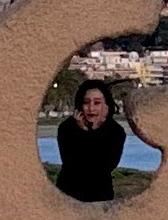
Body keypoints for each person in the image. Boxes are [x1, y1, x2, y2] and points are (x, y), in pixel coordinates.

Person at [53, 76, 125, 204]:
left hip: (100, 197)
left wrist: (93, 130)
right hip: (68, 196)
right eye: (86, 102)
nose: (91, 108)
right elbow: (74, 165)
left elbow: (103, 167)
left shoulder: (116, 131)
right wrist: (81, 132)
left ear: (106, 105)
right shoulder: (67, 128)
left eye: (97, 103)